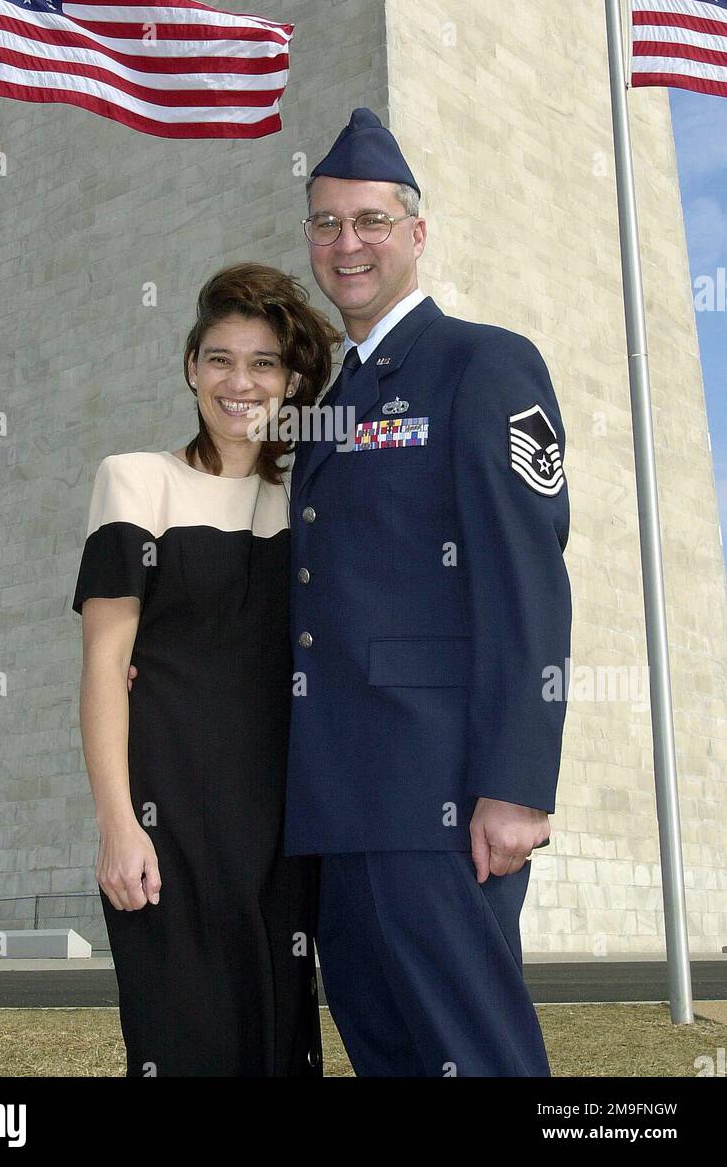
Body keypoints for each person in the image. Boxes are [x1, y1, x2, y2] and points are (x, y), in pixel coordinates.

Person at [284, 107, 572, 1077]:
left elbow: (526, 577)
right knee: (393, 1058)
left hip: (440, 798)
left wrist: (519, 784)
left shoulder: (480, 364)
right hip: (341, 805)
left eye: (369, 220)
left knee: (475, 1058)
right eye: (326, 223)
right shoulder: (330, 404)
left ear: (416, 231)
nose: (347, 243)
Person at [72, 262, 339, 1077]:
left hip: (282, 831)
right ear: (191, 367)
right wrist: (120, 826)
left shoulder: (302, 506)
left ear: (290, 382)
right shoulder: (135, 479)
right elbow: (103, 668)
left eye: (263, 364)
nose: (239, 381)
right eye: (219, 358)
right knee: (182, 1047)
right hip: (168, 826)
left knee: (276, 1049)